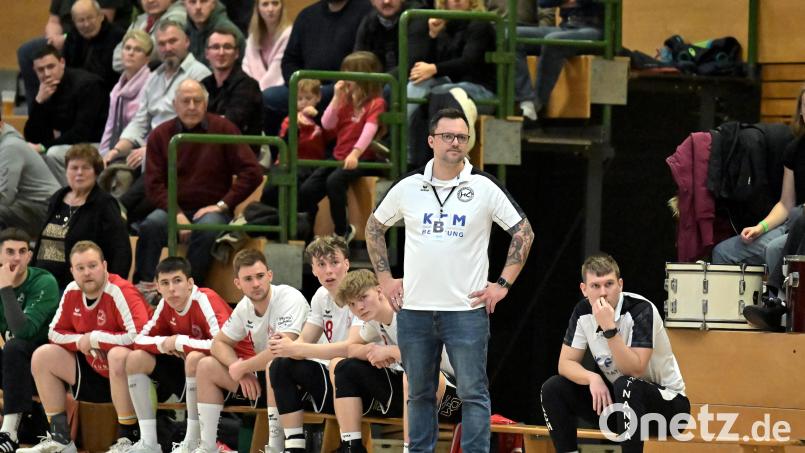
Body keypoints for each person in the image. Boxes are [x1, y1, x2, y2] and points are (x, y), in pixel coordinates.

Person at [365, 108, 534, 453]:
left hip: (465, 310)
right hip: (415, 310)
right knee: (420, 392)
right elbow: (373, 227)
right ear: (431, 141)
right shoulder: (409, 187)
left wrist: (502, 285)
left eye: (462, 137)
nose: (455, 143)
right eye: (448, 136)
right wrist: (384, 279)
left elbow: (523, 231)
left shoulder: (483, 186)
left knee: (473, 392)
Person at [540, 253, 690, 453]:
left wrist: (609, 329)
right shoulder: (582, 312)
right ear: (584, 289)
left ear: (620, 285)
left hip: (669, 411)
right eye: (595, 286)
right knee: (553, 387)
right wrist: (592, 377)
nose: (603, 293)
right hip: (624, 407)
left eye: (609, 284)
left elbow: (634, 370)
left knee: (625, 384)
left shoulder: (641, 310)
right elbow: (565, 364)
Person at [18, 241, 151, 453]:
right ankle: (61, 439)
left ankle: (130, 439)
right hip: (93, 370)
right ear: (72, 271)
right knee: (43, 355)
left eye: (92, 266)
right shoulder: (71, 291)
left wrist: (96, 338)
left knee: (118, 355)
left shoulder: (121, 291)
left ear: (105, 266)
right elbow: (54, 333)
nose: (87, 273)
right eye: (80, 268)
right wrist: (81, 341)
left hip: (133, 379)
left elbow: (140, 335)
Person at [106, 256, 248, 453]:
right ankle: (149, 442)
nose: (171, 288)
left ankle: (192, 440)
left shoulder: (205, 299)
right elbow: (139, 340)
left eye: (177, 281)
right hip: (190, 374)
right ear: (157, 287)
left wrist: (181, 342)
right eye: (165, 283)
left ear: (190, 283)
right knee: (135, 359)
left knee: (195, 358)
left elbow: (221, 344)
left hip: (230, 376)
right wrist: (166, 344)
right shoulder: (165, 305)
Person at [134, 79, 262, 289]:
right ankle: (144, 288)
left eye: (197, 101)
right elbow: (153, 184)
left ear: (206, 103)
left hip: (212, 209)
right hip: (172, 209)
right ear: (175, 105)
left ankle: (189, 289)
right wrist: (176, 213)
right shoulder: (160, 134)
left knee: (208, 227)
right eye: (186, 101)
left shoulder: (223, 128)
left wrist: (223, 204)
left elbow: (252, 171)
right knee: (150, 225)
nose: (192, 106)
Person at [193, 249, 309, 453]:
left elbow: (281, 349)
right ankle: (207, 446)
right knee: (205, 365)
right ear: (238, 283)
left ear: (270, 275)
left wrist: (244, 366)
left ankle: (275, 447)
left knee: (276, 365)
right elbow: (218, 343)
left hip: (301, 379)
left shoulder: (289, 297)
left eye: (260, 276)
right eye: (248, 279)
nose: (256, 284)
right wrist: (239, 369)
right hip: (264, 377)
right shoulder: (244, 307)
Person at [267, 236, 359, 453]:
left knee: (340, 363)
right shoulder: (320, 296)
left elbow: (351, 348)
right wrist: (286, 344)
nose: (329, 271)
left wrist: (298, 348)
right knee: (278, 364)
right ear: (313, 270)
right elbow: (304, 340)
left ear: (347, 264)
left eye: (334, 262)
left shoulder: (360, 294)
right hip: (332, 376)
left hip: (358, 378)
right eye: (321, 264)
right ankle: (293, 445)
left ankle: (352, 446)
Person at [298, 51, 386, 242]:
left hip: (363, 157)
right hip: (339, 156)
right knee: (308, 189)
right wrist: (336, 99)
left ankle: (342, 230)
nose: (345, 78)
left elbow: (369, 132)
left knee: (334, 181)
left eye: (350, 73)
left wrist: (355, 153)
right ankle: (307, 232)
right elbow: (327, 123)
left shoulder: (376, 103)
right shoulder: (344, 100)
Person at [405, 0, 497, 164]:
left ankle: (442, 159)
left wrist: (434, 68)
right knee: (416, 85)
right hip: (447, 85)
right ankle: (407, 155)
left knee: (443, 93)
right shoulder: (442, 25)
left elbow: (469, 62)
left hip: (478, 88)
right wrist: (432, 37)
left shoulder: (480, 24)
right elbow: (427, 64)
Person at [262, 0, 371, 136]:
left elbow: (363, 62)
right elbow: (289, 60)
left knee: (329, 97)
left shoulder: (366, 12)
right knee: (269, 98)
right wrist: (301, 86)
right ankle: (281, 154)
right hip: (304, 88)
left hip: (343, 87)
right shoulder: (306, 15)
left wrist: (334, 88)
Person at [33, 145, 131, 291]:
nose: (79, 173)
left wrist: (113, 290)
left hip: (77, 288)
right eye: (74, 168)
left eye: (85, 168)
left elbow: (120, 250)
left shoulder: (104, 204)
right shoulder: (58, 198)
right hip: (42, 283)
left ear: (96, 172)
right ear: (66, 171)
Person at [331, 269, 405, 453]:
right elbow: (351, 348)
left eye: (363, 297)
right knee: (343, 366)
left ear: (380, 291)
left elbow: (426, 355)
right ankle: (351, 446)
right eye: (352, 304)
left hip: (442, 384)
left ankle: (410, 449)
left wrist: (389, 351)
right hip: (407, 386)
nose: (359, 307)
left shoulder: (406, 311)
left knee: (411, 378)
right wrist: (371, 352)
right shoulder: (374, 321)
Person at [0, 228, 60, 452]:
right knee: (12, 351)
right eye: (9, 251)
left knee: (15, 347)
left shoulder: (44, 282)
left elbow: (23, 330)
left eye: (22, 251)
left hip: (46, 368)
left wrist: (5, 288)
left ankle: (9, 433)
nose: (16, 257)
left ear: (29, 255)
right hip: (13, 369)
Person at [17, 0, 133, 111]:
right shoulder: (73, 34)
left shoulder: (109, 30)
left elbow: (104, 16)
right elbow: (53, 21)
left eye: (88, 19)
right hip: (68, 36)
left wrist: (64, 38)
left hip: (96, 40)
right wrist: (53, 40)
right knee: (29, 53)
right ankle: (39, 109)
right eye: (82, 20)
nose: (86, 23)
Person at [24, 44, 108, 182]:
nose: (46, 74)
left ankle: (71, 196)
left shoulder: (88, 85)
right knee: (34, 154)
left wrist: (44, 146)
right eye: (40, 70)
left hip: (97, 143)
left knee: (53, 153)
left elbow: (81, 133)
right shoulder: (45, 89)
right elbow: (32, 137)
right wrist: (39, 102)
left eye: (51, 67)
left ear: (62, 63)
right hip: (70, 143)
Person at [514, 0, 603, 121]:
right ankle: (526, 100)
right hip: (565, 26)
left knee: (553, 41)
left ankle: (537, 105)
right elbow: (543, 2)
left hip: (592, 29)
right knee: (511, 35)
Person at [0, 113, 61, 237]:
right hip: (31, 205)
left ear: (1, 124)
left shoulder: (10, 147)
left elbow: (5, 197)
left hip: (47, 210)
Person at [201, 27, 264, 140]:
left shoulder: (248, 85)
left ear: (236, 53)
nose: (221, 53)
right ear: (207, 54)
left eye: (227, 47)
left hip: (239, 151)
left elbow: (230, 124)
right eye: (215, 47)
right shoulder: (204, 85)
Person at [98, 30, 154, 156]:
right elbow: (110, 127)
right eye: (127, 48)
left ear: (147, 58)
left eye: (138, 50)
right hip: (117, 149)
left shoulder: (152, 84)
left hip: (140, 150)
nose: (131, 53)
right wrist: (102, 156)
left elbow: (149, 128)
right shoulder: (117, 89)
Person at [62, 0, 126, 93]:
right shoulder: (73, 36)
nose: (86, 24)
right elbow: (66, 69)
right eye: (81, 20)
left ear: (101, 16)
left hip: (106, 92)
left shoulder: (117, 36)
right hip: (77, 91)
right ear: (74, 22)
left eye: (90, 18)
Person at [354, 0, 428, 79]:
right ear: (372, 2)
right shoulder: (369, 21)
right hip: (379, 81)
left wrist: (378, 82)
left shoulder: (415, 15)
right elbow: (358, 60)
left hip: (413, 79)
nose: (386, 1)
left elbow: (411, 63)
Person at [111, 0, 188, 72]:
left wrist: (130, 60)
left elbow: (153, 53)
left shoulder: (178, 17)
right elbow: (116, 60)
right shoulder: (142, 19)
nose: (150, 1)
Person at [242, 0, 292, 90]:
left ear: (282, 7)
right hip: (254, 89)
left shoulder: (289, 34)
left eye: (275, 3)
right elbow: (246, 67)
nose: (270, 9)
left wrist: (255, 92)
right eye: (265, 4)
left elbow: (276, 73)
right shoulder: (253, 37)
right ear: (258, 8)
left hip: (279, 87)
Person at [185, 0, 245, 66]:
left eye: (204, 1)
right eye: (192, 2)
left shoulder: (229, 33)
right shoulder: (185, 31)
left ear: (213, 3)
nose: (198, 7)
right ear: (184, 4)